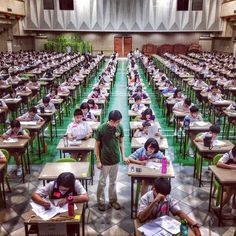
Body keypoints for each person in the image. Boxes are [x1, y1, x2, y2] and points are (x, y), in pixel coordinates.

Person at [95, 110, 127, 211]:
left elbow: (121, 142)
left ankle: (113, 200)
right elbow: (97, 145)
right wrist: (98, 160)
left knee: (113, 181)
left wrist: (123, 155)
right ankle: (100, 201)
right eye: (117, 122)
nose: (119, 123)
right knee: (102, 182)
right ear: (111, 121)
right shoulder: (101, 129)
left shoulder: (119, 127)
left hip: (115, 159)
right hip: (105, 160)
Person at [215, 145, 236, 216]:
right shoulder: (227, 155)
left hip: (234, 179)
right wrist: (232, 167)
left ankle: (234, 209)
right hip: (224, 179)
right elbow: (219, 163)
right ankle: (220, 207)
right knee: (231, 189)